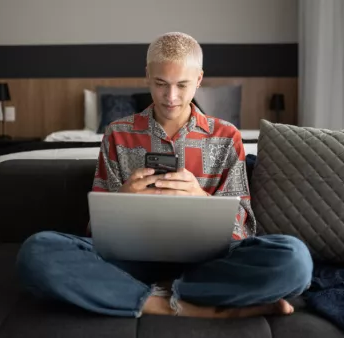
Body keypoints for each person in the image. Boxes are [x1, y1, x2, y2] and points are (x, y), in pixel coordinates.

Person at [16, 32, 313, 318]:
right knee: (36, 251)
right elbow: (97, 230)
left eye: (182, 85)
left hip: (209, 263)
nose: (171, 97)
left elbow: (244, 227)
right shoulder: (118, 133)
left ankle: (142, 295)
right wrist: (124, 199)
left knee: (295, 260)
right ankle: (186, 308)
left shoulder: (226, 136)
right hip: (131, 259)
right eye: (160, 83)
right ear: (147, 75)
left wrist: (200, 198)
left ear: (198, 80)